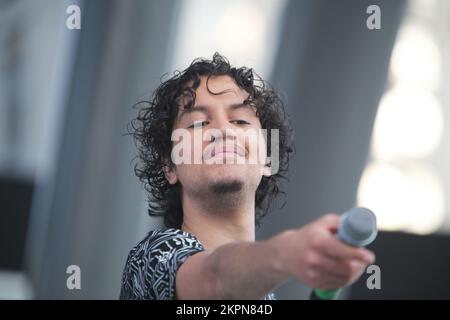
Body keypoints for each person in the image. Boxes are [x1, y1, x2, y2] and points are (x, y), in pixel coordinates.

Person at [119, 53, 375, 300]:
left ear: (268, 158)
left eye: (240, 121)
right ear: (170, 166)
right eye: (198, 123)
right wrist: (287, 253)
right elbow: (215, 278)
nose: (223, 130)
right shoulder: (152, 258)